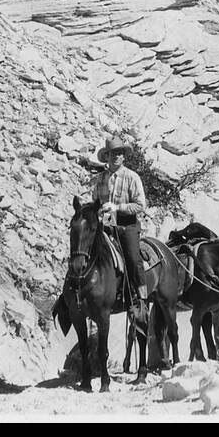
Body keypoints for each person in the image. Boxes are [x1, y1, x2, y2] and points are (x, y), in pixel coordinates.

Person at [91, 135, 148, 321]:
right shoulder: (100, 179)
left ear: (123, 156)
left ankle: (140, 298)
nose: (116, 156)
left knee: (132, 257)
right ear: (106, 156)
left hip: (127, 225)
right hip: (105, 225)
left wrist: (118, 208)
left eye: (119, 153)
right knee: (84, 251)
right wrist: (98, 211)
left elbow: (140, 205)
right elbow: (94, 202)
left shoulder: (132, 177)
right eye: (112, 153)